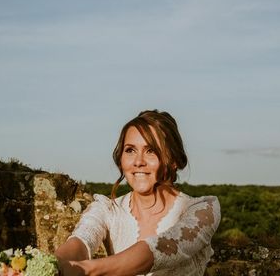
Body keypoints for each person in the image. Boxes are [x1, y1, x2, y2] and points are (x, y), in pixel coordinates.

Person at [55, 110, 221, 276]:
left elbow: (160, 250)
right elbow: (81, 239)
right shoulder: (107, 209)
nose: (138, 162)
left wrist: (86, 270)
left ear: (174, 160)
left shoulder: (202, 210)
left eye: (151, 150)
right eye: (130, 150)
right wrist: (57, 264)